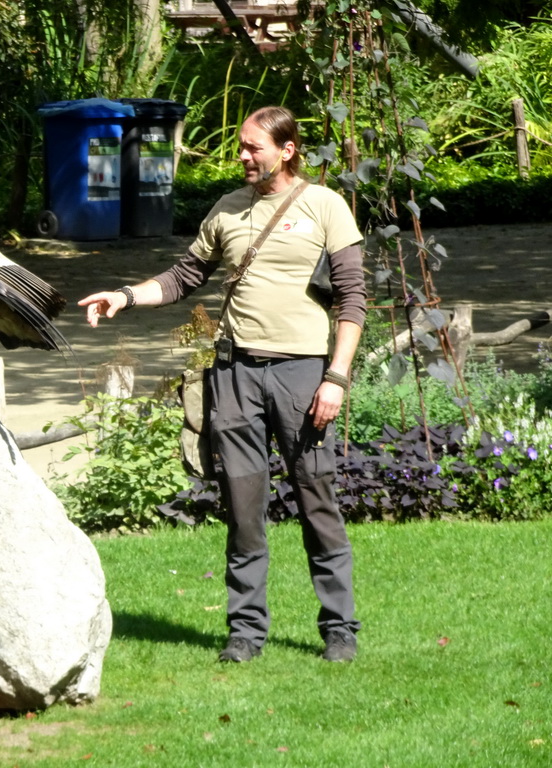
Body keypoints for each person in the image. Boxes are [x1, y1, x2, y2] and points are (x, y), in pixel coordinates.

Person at [78, 106, 367, 663]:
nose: (242, 156)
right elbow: (183, 278)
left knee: (316, 499)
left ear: (286, 150)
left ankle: (339, 629)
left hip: (302, 374)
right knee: (242, 506)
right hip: (234, 374)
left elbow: (353, 300)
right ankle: (245, 633)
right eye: (240, 146)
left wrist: (335, 377)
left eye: (253, 147)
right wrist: (126, 296)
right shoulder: (227, 209)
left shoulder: (326, 207)